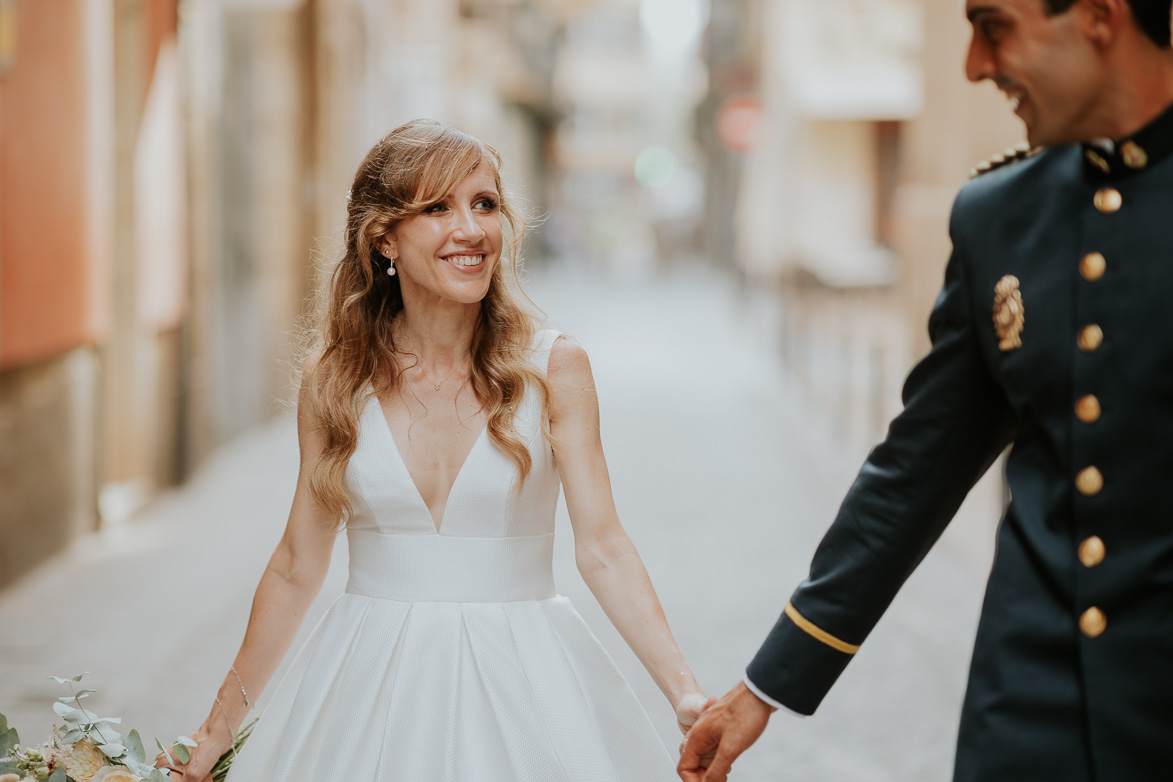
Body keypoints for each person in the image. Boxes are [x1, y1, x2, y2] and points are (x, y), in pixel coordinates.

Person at [679, 0, 1173, 780]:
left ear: (1098, 16)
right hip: (1028, 703)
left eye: (994, 26)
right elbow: (915, 469)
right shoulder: (998, 215)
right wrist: (766, 683)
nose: (973, 65)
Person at [165, 119, 708, 781]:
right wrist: (216, 727)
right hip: (368, 685)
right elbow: (296, 566)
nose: (472, 230)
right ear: (383, 236)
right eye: (437, 208)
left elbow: (603, 547)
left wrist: (683, 693)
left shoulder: (555, 367)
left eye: (484, 204)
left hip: (526, 683)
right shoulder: (334, 379)